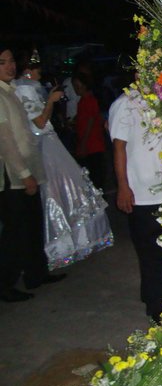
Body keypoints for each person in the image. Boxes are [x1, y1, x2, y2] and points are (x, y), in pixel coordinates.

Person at [14, 56, 113, 270]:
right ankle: (53, 250)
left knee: (68, 190)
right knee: (56, 194)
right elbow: (40, 124)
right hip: (43, 147)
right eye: (35, 64)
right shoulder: (24, 90)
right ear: (28, 70)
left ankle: (62, 247)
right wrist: (50, 102)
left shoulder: (31, 88)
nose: (40, 68)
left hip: (49, 143)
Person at [0, 47, 65, 302]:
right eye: (2, 62)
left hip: (27, 169)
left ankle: (36, 273)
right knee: (16, 231)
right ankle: (5, 283)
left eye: (12, 60)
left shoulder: (11, 92)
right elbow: (5, 143)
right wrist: (24, 173)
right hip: (12, 175)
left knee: (32, 225)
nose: (10, 66)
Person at [109, 84, 162, 323]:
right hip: (141, 192)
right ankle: (155, 304)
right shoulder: (124, 104)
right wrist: (123, 186)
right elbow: (119, 147)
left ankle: (158, 289)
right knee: (149, 251)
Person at [72, 71, 106, 190]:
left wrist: (83, 144)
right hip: (88, 144)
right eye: (74, 86)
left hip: (93, 145)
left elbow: (90, 123)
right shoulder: (81, 101)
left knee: (96, 179)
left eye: (78, 86)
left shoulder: (90, 100)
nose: (76, 89)